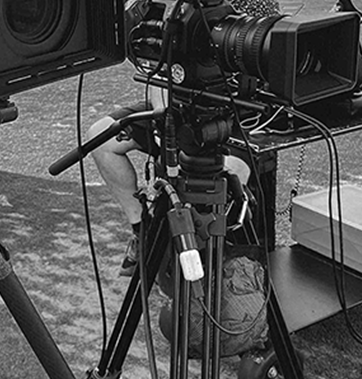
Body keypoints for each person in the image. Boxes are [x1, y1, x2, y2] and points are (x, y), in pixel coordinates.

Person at [88, 87, 249, 276]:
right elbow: (159, 80)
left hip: (241, 116)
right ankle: (142, 230)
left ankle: (215, 255)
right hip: (181, 107)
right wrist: (164, 122)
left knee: (228, 174)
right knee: (99, 136)